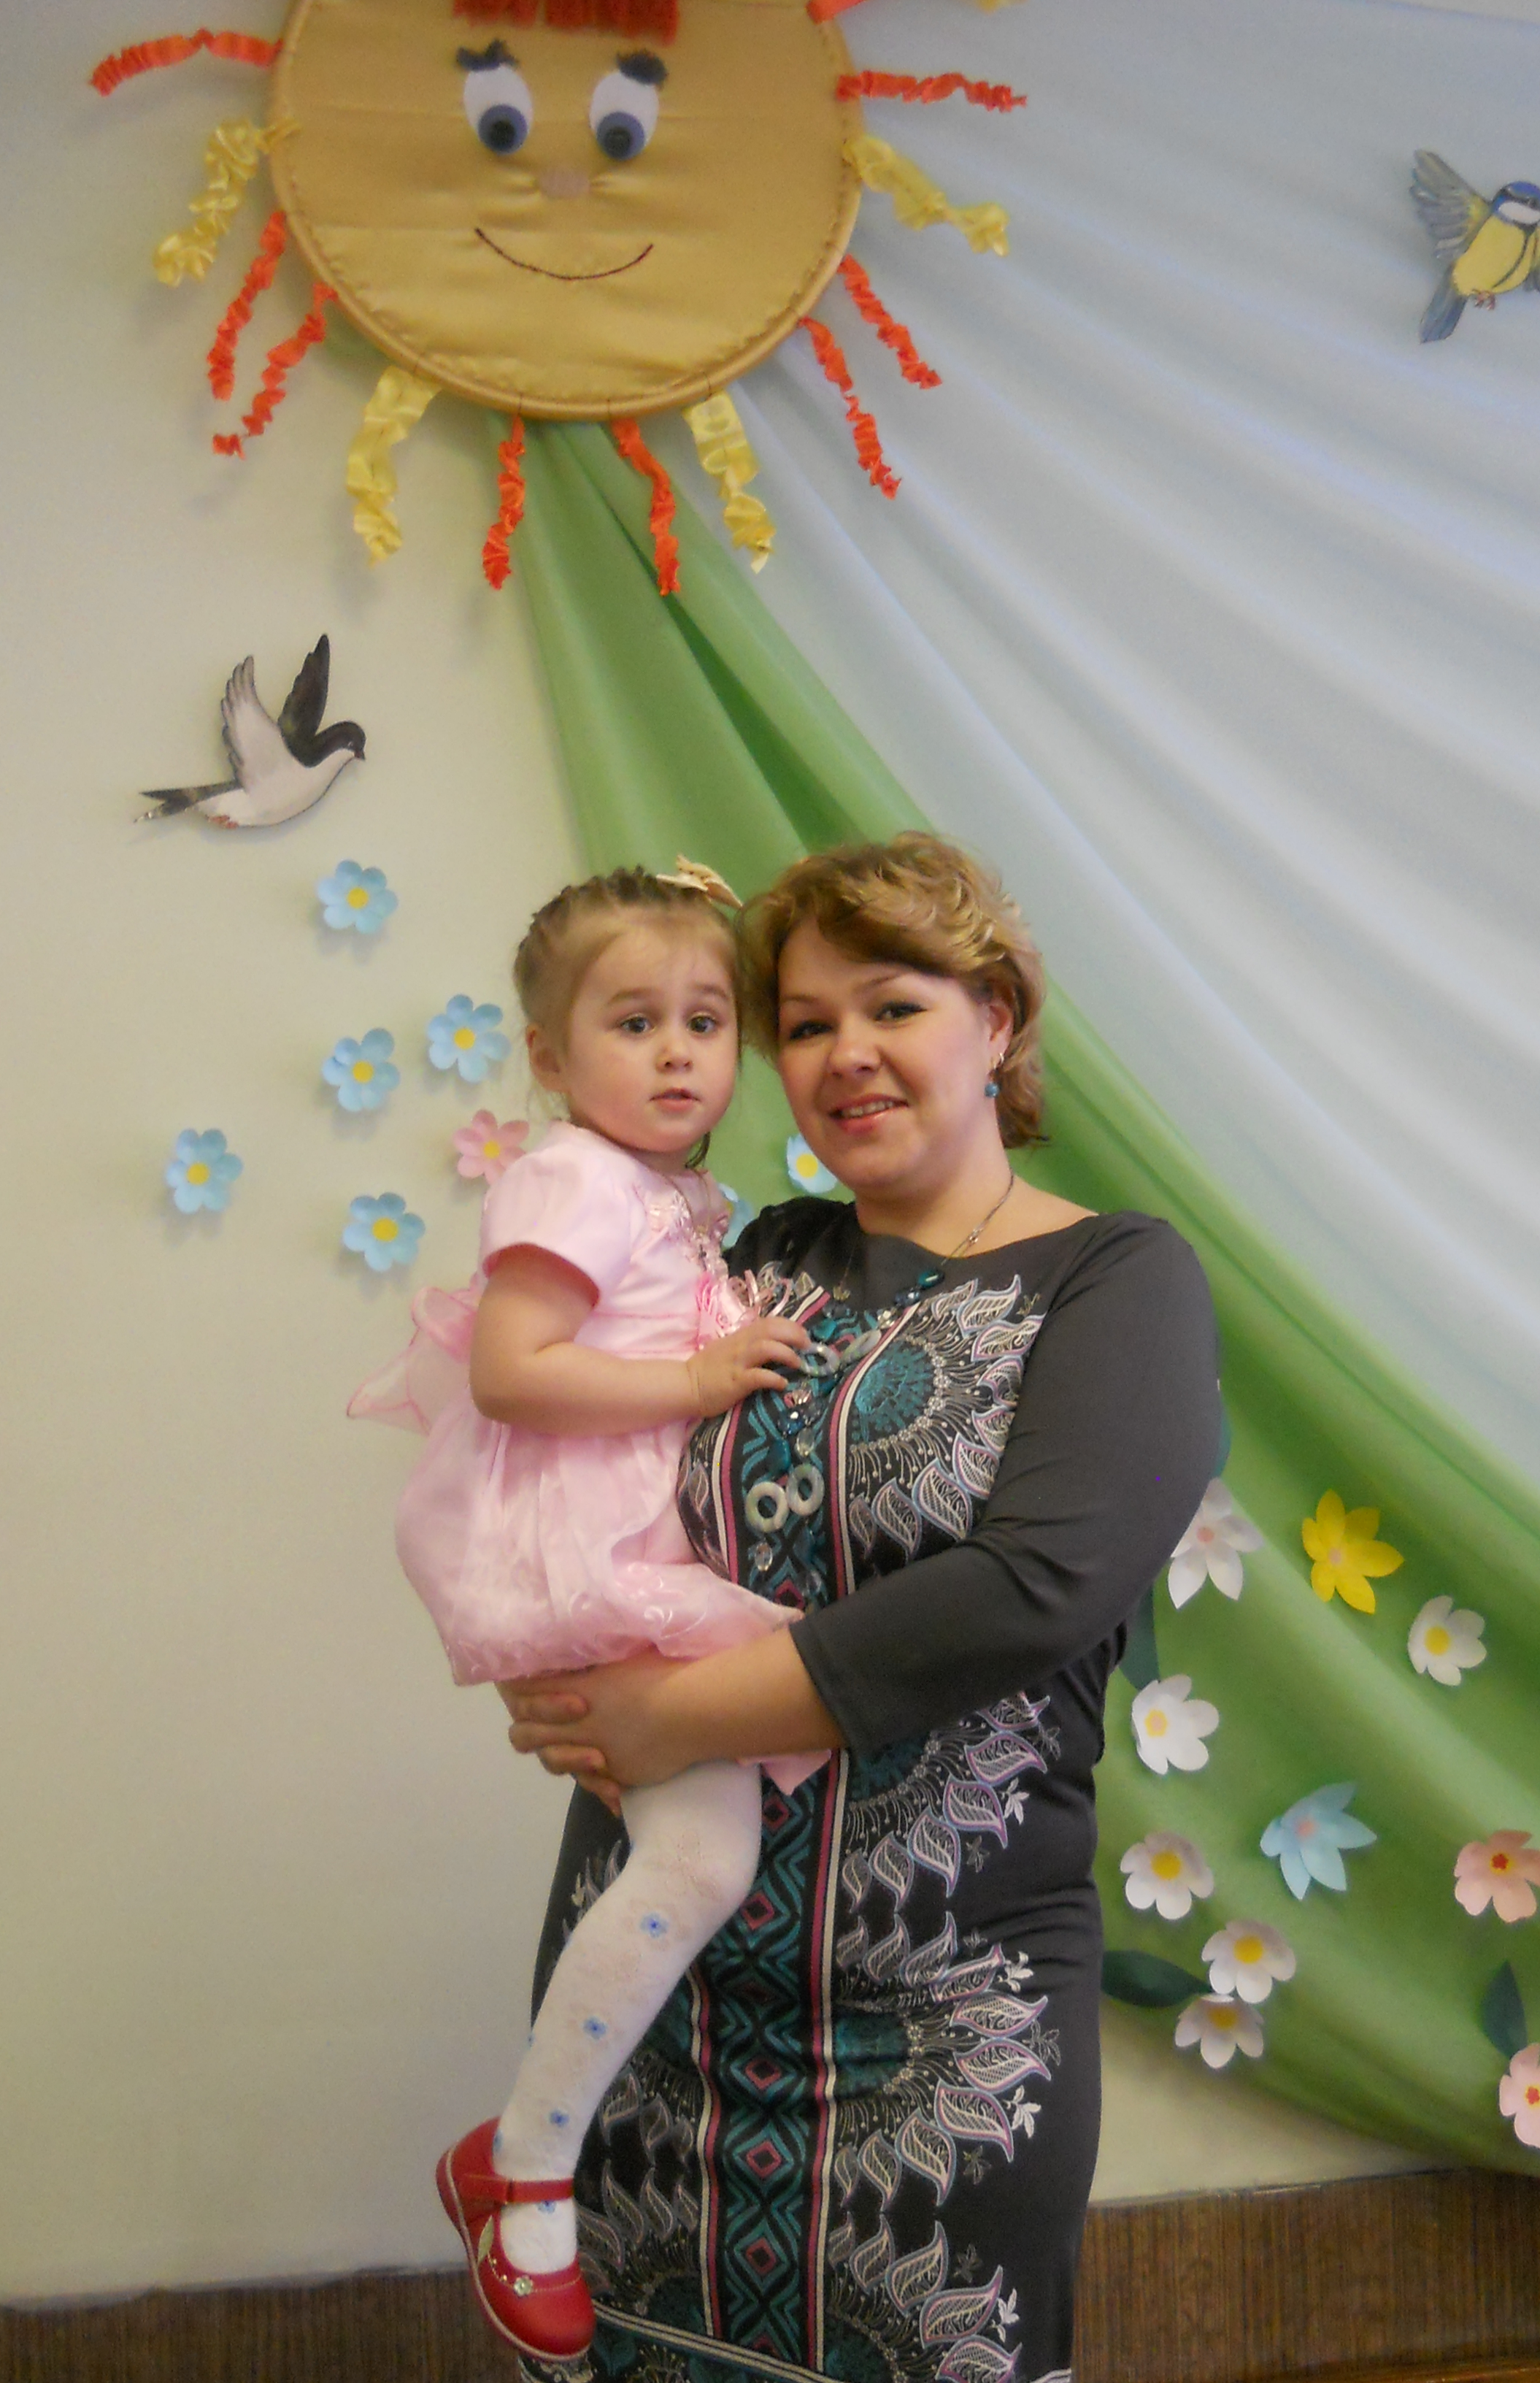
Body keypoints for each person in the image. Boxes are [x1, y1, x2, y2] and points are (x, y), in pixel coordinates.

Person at [500, 833, 1223, 2383]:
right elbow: (566, 1459)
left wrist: (666, 1714)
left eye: (893, 1006)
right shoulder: (743, 1260)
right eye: (808, 1024)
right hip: (653, 2008)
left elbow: (1031, 1588)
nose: (845, 1056)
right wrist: (536, 1647)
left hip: (945, 2035)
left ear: (997, 1020)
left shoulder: (1117, 1281)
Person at [374, 862, 825, 2363]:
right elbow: (513, 1370)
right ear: (552, 1058)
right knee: (703, 1857)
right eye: (634, 1023)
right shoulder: (572, 1174)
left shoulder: (669, 1194)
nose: (679, 1053)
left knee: (702, 1851)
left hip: (630, 1537)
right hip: (591, 1549)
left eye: (707, 1020)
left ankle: (518, 2158)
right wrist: (696, 1378)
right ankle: (525, 2169)